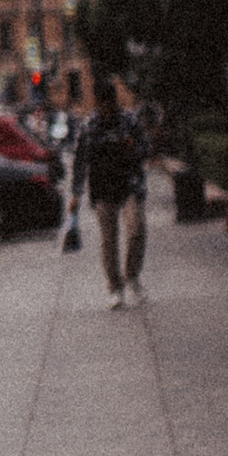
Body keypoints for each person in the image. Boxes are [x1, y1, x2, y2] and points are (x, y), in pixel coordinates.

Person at [75, 77, 148, 305]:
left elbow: (145, 147)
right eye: (103, 104)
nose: (108, 109)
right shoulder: (89, 125)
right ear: (98, 103)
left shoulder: (129, 121)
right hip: (102, 187)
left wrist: (132, 147)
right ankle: (115, 288)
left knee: (136, 230)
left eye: (111, 104)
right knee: (109, 239)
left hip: (129, 184)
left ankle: (132, 276)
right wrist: (76, 193)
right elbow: (79, 160)